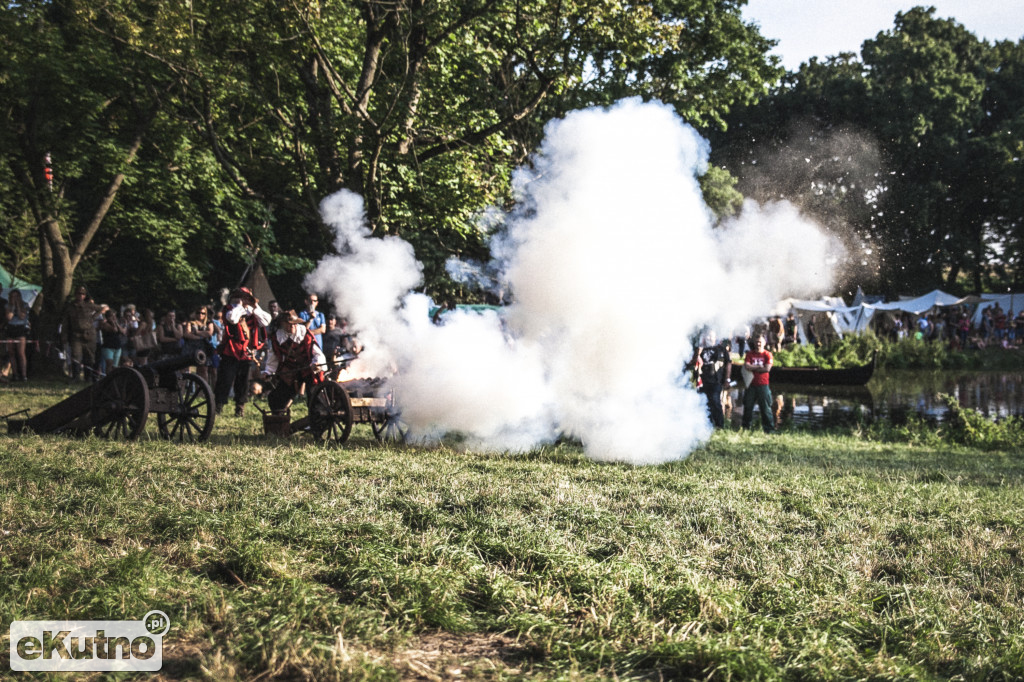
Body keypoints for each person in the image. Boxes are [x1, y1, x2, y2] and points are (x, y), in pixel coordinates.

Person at [215, 287, 271, 417]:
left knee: (243, 382)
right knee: (225, 380)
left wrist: (255, 306)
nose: (246, 300)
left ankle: (240, 408)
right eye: (243, 297)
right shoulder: (230, 309)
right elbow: (233, 319)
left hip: (246, 353)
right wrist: (240, 305)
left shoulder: (252, 311)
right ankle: (218, 406)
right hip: (231, 351)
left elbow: (266, 320)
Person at [260, 310, 327, 413]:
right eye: (288, 324)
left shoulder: (305, 334)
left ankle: (317, 422)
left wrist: (317, 364)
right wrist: (268, 372)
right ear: (282, 324)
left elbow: (317, 353)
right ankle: (280, 420)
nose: (291, 326)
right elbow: (273, 357)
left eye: (294, 324)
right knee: (276, 398)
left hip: (309, 369)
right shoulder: (277, 338)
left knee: (315, 396)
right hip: (290, 371)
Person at [691, 331, 731, 428]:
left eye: (711, 336)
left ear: (715, 337)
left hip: (716, 381)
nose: (709, 338)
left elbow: (728, 364)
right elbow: (693, 363)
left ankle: (719, 425)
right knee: (703, 403)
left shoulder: (721, 349)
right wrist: (697, 353)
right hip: (702, 381)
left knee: (715, 402)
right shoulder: (700, 350)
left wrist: (727, 379)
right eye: (707, 336)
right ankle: (706, 425)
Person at [61, 286, 101, 381]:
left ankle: (88, 377)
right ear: (75, 295)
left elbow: (101, 309)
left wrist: (93, 318)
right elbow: (65, 323)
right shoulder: (70, 307)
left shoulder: (89, 305)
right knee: (76, 356)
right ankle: (76, 376)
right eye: (79, 294)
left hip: (89, 334)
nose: (80, 296)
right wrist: (64, 336)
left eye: (82, 294)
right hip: (76, 335)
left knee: (90, 357)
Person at [741, 335, 775, 433]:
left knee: (765, 408)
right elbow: (747, 366)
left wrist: (753, 367)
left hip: (763, 385)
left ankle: (769, 430)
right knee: (748, 407)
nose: (758, 344)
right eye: (756, 342)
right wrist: (759, 366)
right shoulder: (750, 354)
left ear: (764, 343)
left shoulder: (767, 354)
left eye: (760, 342)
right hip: (751, 385)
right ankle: (745, 428)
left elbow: (767, 369)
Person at [3, 289, 31, 382]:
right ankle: (15, 374)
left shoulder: (25, 305)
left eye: (16, 296)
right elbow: (9, 317)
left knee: (20, 353)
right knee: (11, 352)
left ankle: (23, 375)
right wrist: (12, 306)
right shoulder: (7, 305)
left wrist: (18, 305)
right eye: (12, 296)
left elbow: (22, 316)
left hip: (20, 329)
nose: (14, 298)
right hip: (11, 328)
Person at [98, 307, 128, 375]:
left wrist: (120, 323)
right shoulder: (105, 324)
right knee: (109, 363)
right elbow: (114, 330)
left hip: (117, 347)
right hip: (108, 347)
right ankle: (107, 377)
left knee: (115, 366)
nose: (114, 317)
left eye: (115, 316)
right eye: (112, 316)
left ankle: (113, 378)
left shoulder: (116, 324)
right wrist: (113, 322)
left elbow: (122, 331)